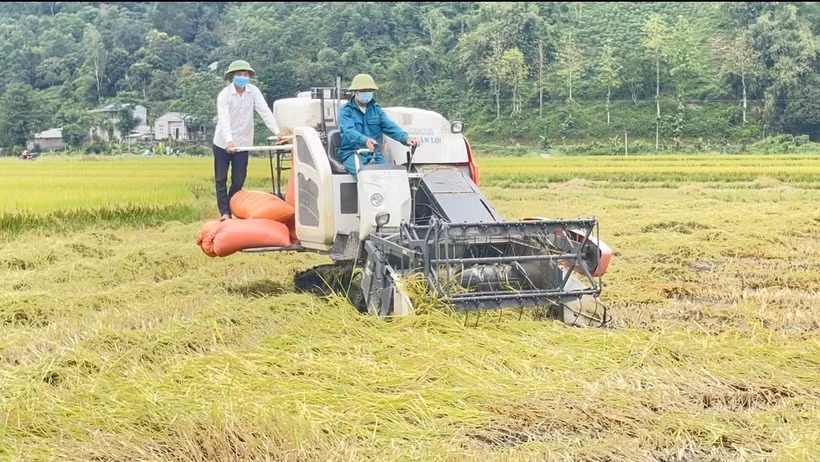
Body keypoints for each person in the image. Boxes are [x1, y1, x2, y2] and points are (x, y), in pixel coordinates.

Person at [213, 60, 285, 221]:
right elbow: (224, 119)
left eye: (245, 75)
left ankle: (231, 207)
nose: (243, 78)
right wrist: (229, 141)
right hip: (223, 142)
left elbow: (264, 111)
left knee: (239, 179)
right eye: (239, 75)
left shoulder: (253, 92)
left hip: (244, 142)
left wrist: (278, 132)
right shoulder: (224, 95)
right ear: (232, 76)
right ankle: (224, 213)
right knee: (221, 179)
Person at [337, 74, 421, 179]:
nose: (366, 93)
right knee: (366, 177)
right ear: (356, 92)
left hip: (374, 153)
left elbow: (389, 126)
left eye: (369, 90)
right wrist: (365, 140)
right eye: (363, 91)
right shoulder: (345, 110)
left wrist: (406, 138)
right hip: (352, 152)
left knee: (389, 177)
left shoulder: (376, 109)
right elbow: (349, 131)